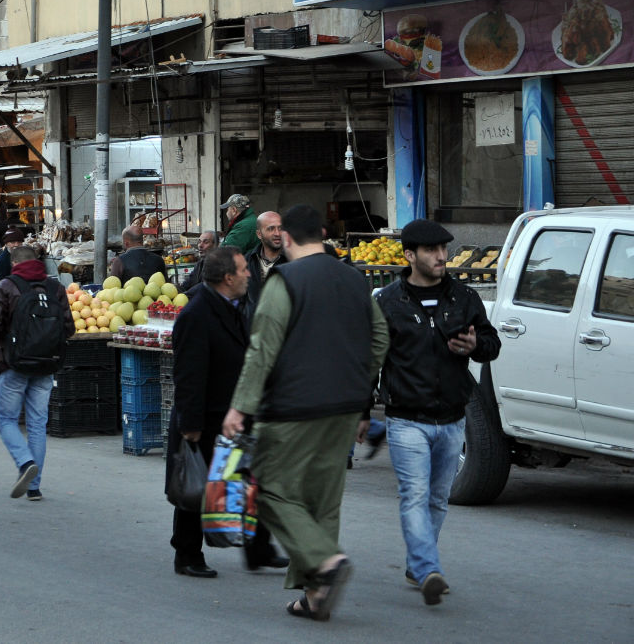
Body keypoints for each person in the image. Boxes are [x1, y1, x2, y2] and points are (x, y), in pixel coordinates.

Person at [222, 204, 389, 622]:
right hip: (345, 407)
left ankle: (325, 562)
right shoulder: (354, 278)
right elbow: (381, 339)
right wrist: (358, 384)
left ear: (288, 239)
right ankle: (315, 594)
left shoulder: (285, 280)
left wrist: (241, 406)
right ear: (323, 233)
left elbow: (263, 348)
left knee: (273, 489)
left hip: (294, 407)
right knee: (322, 500)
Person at [375, 219, 501, 605]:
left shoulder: (463, 297)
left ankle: (417, 564)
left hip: (452, 419)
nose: (441, 256)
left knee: (437, 499)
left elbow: (492, 345)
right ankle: (429, 568)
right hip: (406, 419)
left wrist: (475, 345)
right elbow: (371, 356)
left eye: (444, 249)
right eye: (431, 250)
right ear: (410, 255)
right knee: (414, 495)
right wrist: (361, 410)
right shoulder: (387, 302)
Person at [168, 246, 287, 578]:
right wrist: (190, 426)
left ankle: (257, 549)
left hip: (234, 411)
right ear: (227, 277)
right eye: (243, 270)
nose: (250, 273)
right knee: (198, 485)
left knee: (248, 480)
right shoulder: (196, 314)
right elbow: (188, 375)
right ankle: (187, 554)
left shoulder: (234, 305)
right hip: (206, 417)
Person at [0, 245, 72, 501]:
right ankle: (34, 487)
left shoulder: (7, 286)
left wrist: (5, 344)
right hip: (46, 366)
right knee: (37, 425)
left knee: (6, 419)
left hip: (14, 365)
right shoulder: (56, 287)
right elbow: (68, 327)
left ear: (14, 263)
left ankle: (24, 463)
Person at [245, 211, 286, 307]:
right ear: (259, 234)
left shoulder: (293, 259)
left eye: (280, 228)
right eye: (271, 229)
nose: (277, 233)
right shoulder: (247, 260)